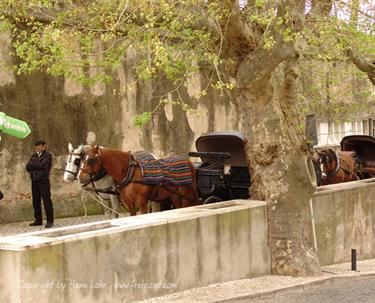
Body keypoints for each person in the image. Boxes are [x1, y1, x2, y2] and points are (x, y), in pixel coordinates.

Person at [26, 139, 54, 228]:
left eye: (39, 145)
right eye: (36, 146)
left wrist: (34, 164)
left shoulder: (48, 155)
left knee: (46, 201)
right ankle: (38, 220)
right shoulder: (34, 155)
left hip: (43, 180)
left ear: (44, 146)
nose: (37, 147)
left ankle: (50, 220)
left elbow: (43, 165)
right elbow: (27, 167)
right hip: (34, 180)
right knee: (36, 201)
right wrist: (36, 164)